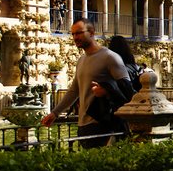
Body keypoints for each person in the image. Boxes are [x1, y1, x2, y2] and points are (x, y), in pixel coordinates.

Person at [41, 18, 135, 148]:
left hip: (103, 122)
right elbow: (74, 90)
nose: (75, 37)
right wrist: (55, 113)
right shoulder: (81, 60)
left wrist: (107, 91)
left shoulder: (110, 57)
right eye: (73, 34)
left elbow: (127, 88)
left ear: (91, 33)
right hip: (83, 123)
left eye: (79, 33)